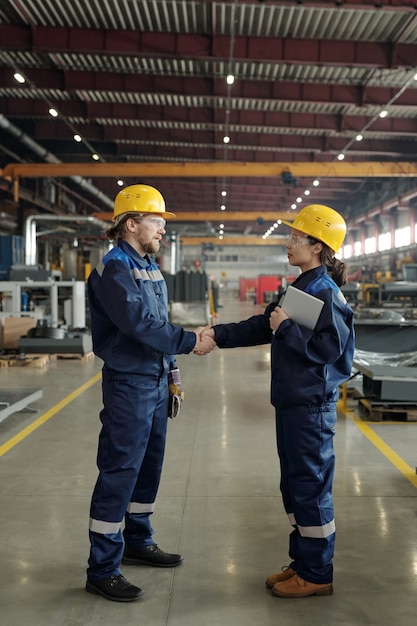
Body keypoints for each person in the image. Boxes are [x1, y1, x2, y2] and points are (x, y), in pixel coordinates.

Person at [202, 204, 354, 598]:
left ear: (318, 246)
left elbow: (334, 353)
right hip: (291, 404)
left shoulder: (325, 292)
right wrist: (217, 335)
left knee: (310, 488)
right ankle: (303, 562)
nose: (288, 244)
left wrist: (286, 328)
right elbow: (262, 324)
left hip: (310, 408)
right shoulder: (302, 286)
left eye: (295, 238)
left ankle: (318, 574)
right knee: (294, 487)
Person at [86, 184, 215, 602]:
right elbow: (140, 324)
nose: (163, 230)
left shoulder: (148, 265)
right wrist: (188, 342)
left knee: (149, 468)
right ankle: (102, 567)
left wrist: (173, 371)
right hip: (129, 384)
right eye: (158, 222)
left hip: (156, 381)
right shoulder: (114, 269)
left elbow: (159, 319)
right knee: (120, 470)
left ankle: (138, 541)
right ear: (131, 223)